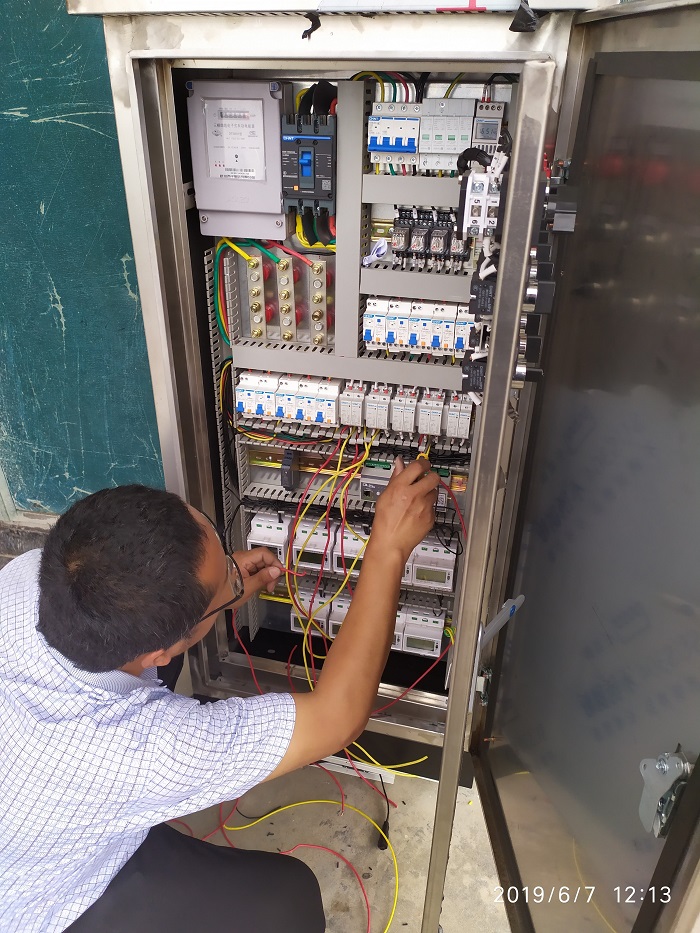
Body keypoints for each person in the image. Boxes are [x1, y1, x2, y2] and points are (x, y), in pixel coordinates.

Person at [0, 457, 438, 933]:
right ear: (161, 650)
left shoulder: (33, 576)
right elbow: (337, 717)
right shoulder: (144, 750)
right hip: (41, 897)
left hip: (31, 810)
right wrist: (388, 548)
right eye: (221, 590)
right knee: (284, 902)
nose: (234, 571)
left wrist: (217, 587)